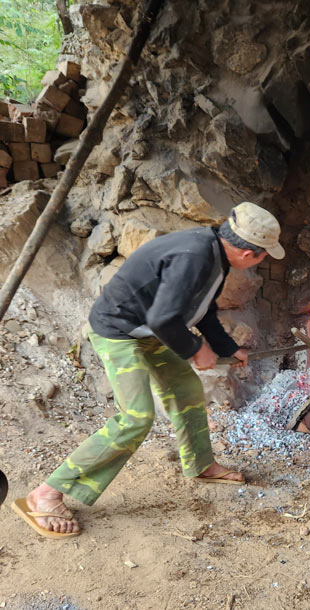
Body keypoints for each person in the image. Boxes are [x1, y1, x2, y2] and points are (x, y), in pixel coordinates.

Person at [12, 201, 285, 539]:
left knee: (185, 389)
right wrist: (196, 349)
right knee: (136, 418)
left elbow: (204, 309)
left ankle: (200, 464)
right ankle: (47, 493)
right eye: (262, 256)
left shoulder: (214, 252)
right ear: (249, 254)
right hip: (118, 332)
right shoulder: (195, 257)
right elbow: (163, 318)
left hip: (147, 331)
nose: (259, 262)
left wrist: (228, 347)